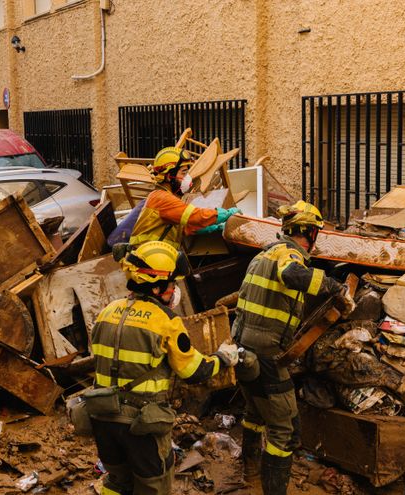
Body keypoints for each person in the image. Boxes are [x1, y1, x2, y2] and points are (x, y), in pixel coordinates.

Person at [89, 240, 239, 494]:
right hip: (140, 425)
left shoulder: (107, 311)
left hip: (102, 418)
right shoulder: (165, 321)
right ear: (157, 286)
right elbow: (192, 372)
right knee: (153, 486)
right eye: (171, 284)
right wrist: (222, 358)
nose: (174, 290)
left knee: (116, 482)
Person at [231, 201, 354, 495]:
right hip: (266, 353)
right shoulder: (288, 254)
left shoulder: (264, 253)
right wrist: (335, 288)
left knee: (256, 412)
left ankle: (251, 473)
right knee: (286, 430)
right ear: (310, 233)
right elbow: (292, 275)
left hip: (243, 348)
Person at [117, 146, 239, 250]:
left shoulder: (164, 196)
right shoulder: (162, 198)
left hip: (152, 258)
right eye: (184, 173)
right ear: (169, 176)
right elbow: (194, 215)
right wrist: (224, 214)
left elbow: (181, 227)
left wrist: (207, 228)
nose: (187, 178)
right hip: (149, 261)